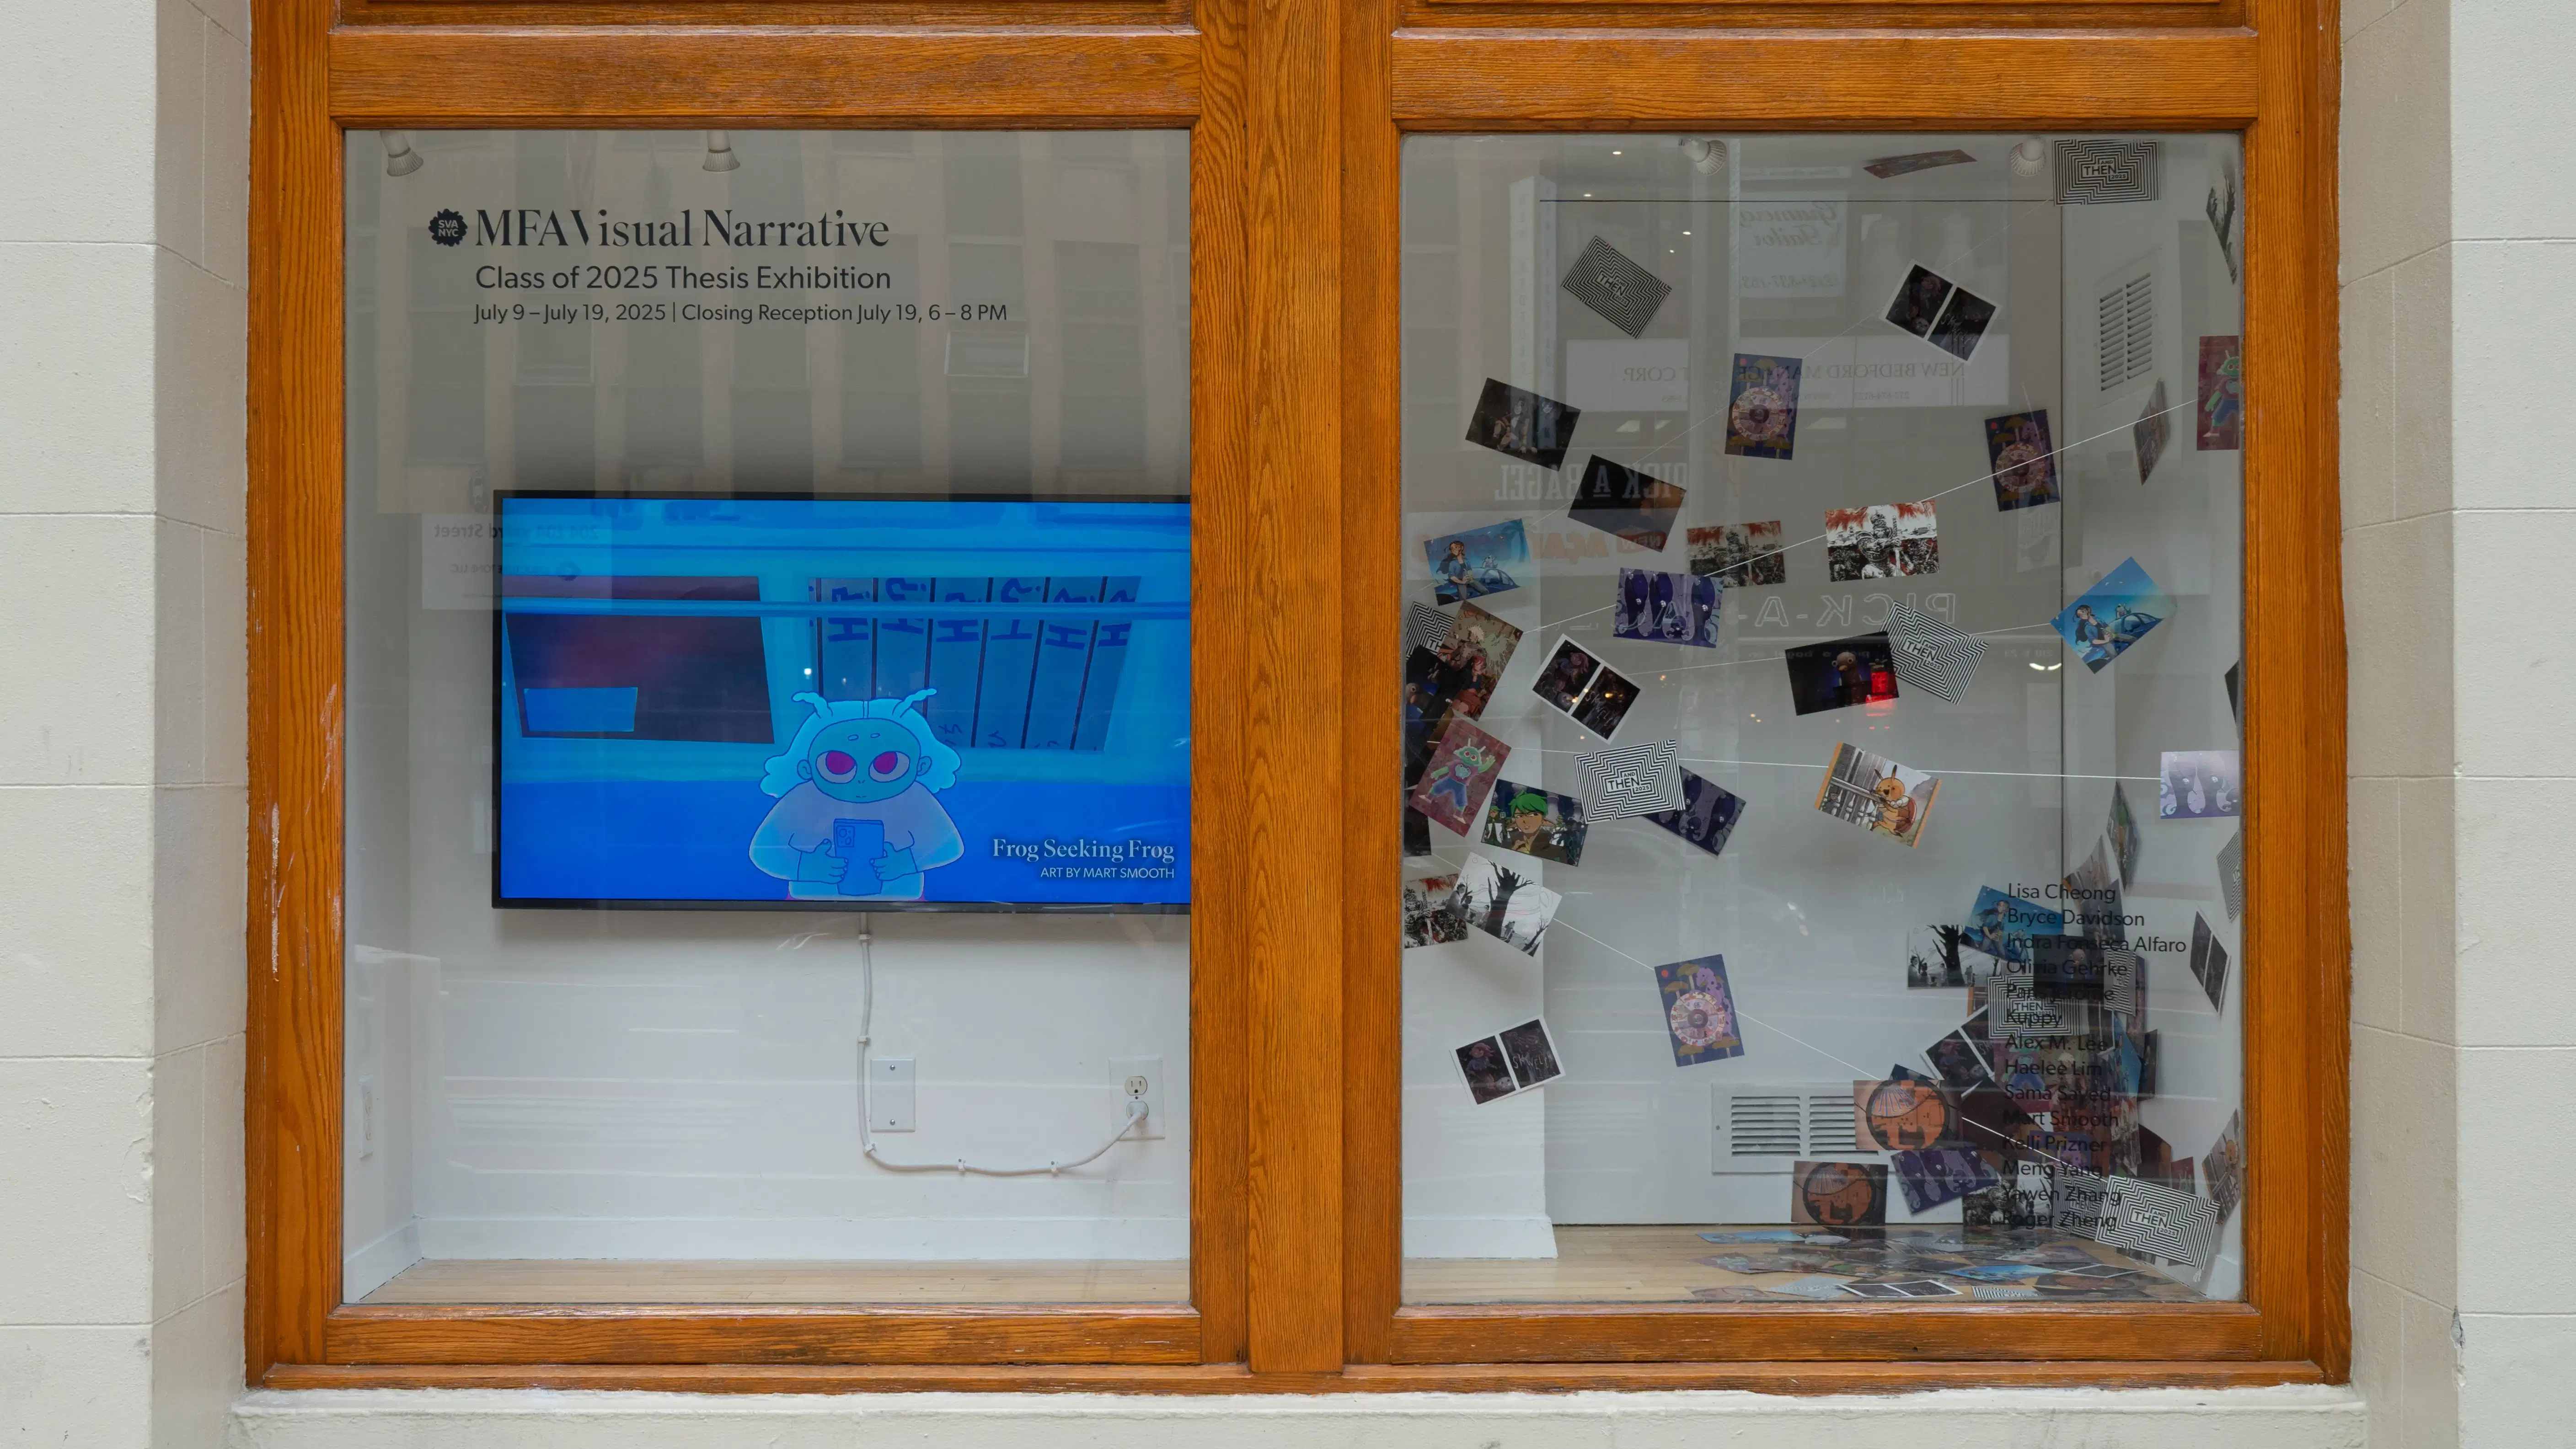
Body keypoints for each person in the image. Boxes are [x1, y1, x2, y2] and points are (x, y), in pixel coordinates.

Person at [750, 690, 965, 901]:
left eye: (887, 763)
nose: (862, 779)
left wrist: (907, 862)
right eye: (838, 764)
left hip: (903, 905)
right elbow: (763, 851)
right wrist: (805, 867)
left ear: (921, 766)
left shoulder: (917, 797)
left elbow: (950, 846)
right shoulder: (801, 797)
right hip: (809, 907)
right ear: (807, 769)